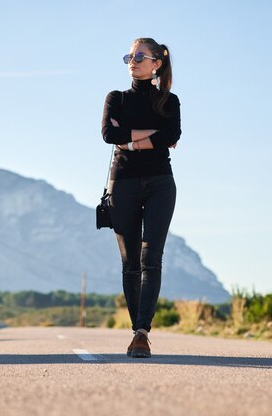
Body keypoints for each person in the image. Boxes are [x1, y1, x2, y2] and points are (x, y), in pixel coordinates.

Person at [101, 38, 181, 358]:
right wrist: (151, 137)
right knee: (130, 262)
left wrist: (130, 141)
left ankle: (142, 332)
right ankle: (138, 329)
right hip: (124, 184)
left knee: (152, 258)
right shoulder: (116, 98)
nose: (132, 61)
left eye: (139, 56)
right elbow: (109, 134)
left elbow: (172, 136)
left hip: (161, 183)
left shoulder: (169, 101)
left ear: (156, 63)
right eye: (129, 56)